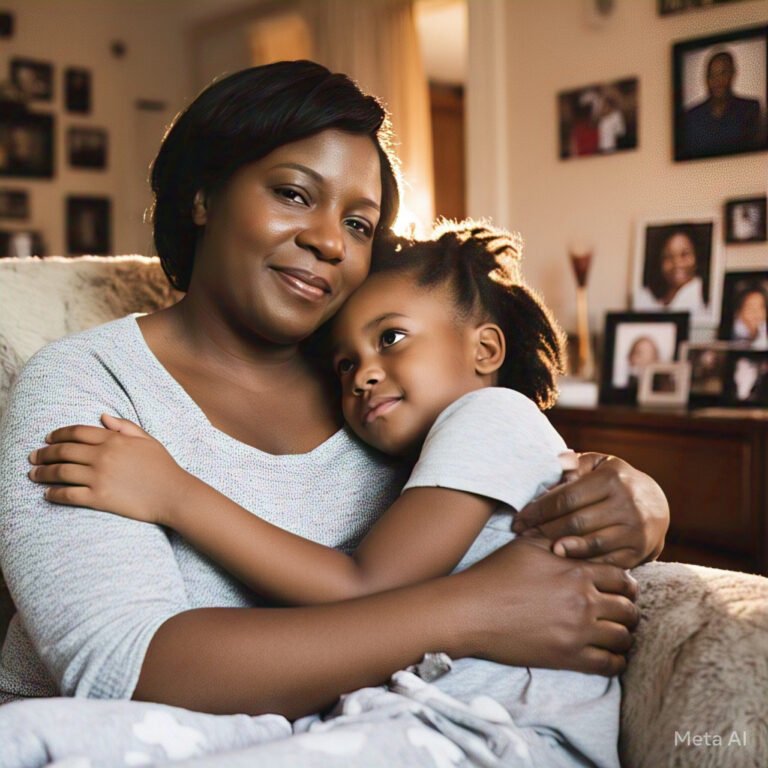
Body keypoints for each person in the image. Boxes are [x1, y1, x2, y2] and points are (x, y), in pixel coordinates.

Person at [0, 61, 667, 763]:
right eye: (293, 193)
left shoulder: (379, 395)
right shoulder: (88, 383)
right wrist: (476, 612)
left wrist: (637, 504)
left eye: (358, 223)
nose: (329, 242)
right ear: (203, 194)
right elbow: (127, 671)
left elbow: (512, 494)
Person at [26, 221, 626, 765]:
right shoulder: (430, 451)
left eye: (390, 339)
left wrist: (175, 495)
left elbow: (364, 585)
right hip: (415, 712)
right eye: (344, 364)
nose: (362, 373)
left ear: (485, 349)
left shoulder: (491, 416)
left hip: (501, 730)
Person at [683, 49, 764, 157]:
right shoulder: (691, 116)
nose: (718, 81)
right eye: (712, 75)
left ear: (733, 74)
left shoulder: (750, 109)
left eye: (723, 73)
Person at [634, 228, 707, 319]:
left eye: (684, 254)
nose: (677, 263)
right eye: (668, 257)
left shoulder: (703, 295)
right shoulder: (646, 296)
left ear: (697, 257)